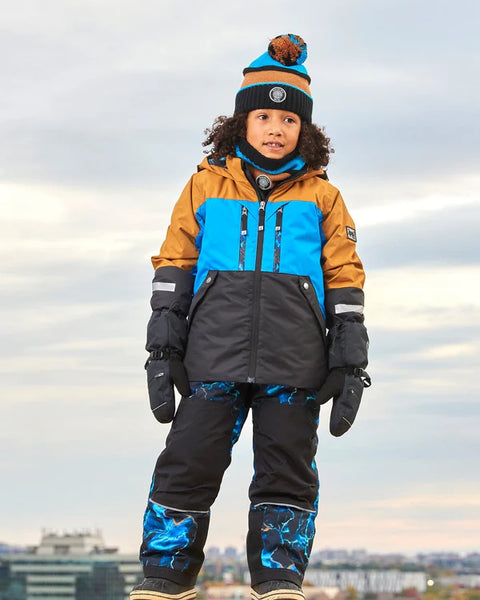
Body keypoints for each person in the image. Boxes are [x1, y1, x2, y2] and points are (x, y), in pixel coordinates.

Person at [130, 34, 370, 600]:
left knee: (287, 470)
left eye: (287, 119)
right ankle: (166, 576)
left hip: (295, 362)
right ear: (241, 123)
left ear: (303, 131)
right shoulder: (204, 186)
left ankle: (279, 579)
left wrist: (350, 356)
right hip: (212, 354)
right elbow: (175, 266)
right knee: (187, 463)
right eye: (262, 115)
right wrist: (163, 350)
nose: (274, 128)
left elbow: (345, 278)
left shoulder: (323, 198)